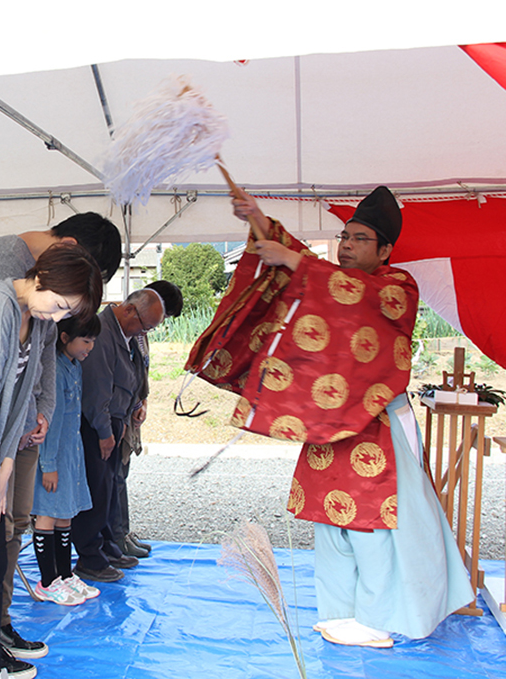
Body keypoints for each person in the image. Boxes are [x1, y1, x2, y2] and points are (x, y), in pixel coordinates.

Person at [190, 185, 471, 647]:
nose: (346, 245)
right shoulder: (325, 274)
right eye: (344, 235)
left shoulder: (396, 287)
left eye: (360, 238)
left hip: (375, 423)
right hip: (329, 421)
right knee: (330, 519)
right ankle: (342, 613)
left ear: (385, 249)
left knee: (371, 521)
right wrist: (259, 219)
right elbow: (300, 263)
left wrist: (293, 259)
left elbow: (343, 288)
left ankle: (377, 619)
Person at [0, 212, 122, 662]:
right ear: (66, 250)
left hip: (18, 431)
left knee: (12, 528)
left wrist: (42, 411)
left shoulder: (44, 299)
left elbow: (44, 354)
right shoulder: (3, 281)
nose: (61, 317)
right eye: (64, 305)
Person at [72, 289, 164, 583]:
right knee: (97, 492)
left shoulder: (122, 333)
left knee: (110, 489)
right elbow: (97, 390)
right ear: (129, 311)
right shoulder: (103, 333)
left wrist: (123, 419)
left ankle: (108, 547)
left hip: (115, 420)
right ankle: (90, 557)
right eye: (146, 326)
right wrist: (104, 431)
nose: (144, 332)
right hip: (98, 424)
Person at [30, 316, 102, 605]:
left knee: (66, 513)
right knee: (47, 514)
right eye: (85, 340)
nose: (90, 347)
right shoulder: (56, 371)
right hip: (54, 456)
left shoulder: (75, 367)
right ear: (64, 338)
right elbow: (53, 421)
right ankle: (47, 581)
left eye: (93, 341)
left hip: (71, 452)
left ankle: (64, 575)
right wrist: (49, 466)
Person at [113, 279, 183, 559]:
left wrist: (143, 401)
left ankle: (122, 532)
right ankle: (116, 536)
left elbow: (141, 372)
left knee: (122, 474)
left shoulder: (141, 332)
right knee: (115, 478)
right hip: (117, 415)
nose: (154, 326)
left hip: (130, 411)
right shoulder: (125, 329)